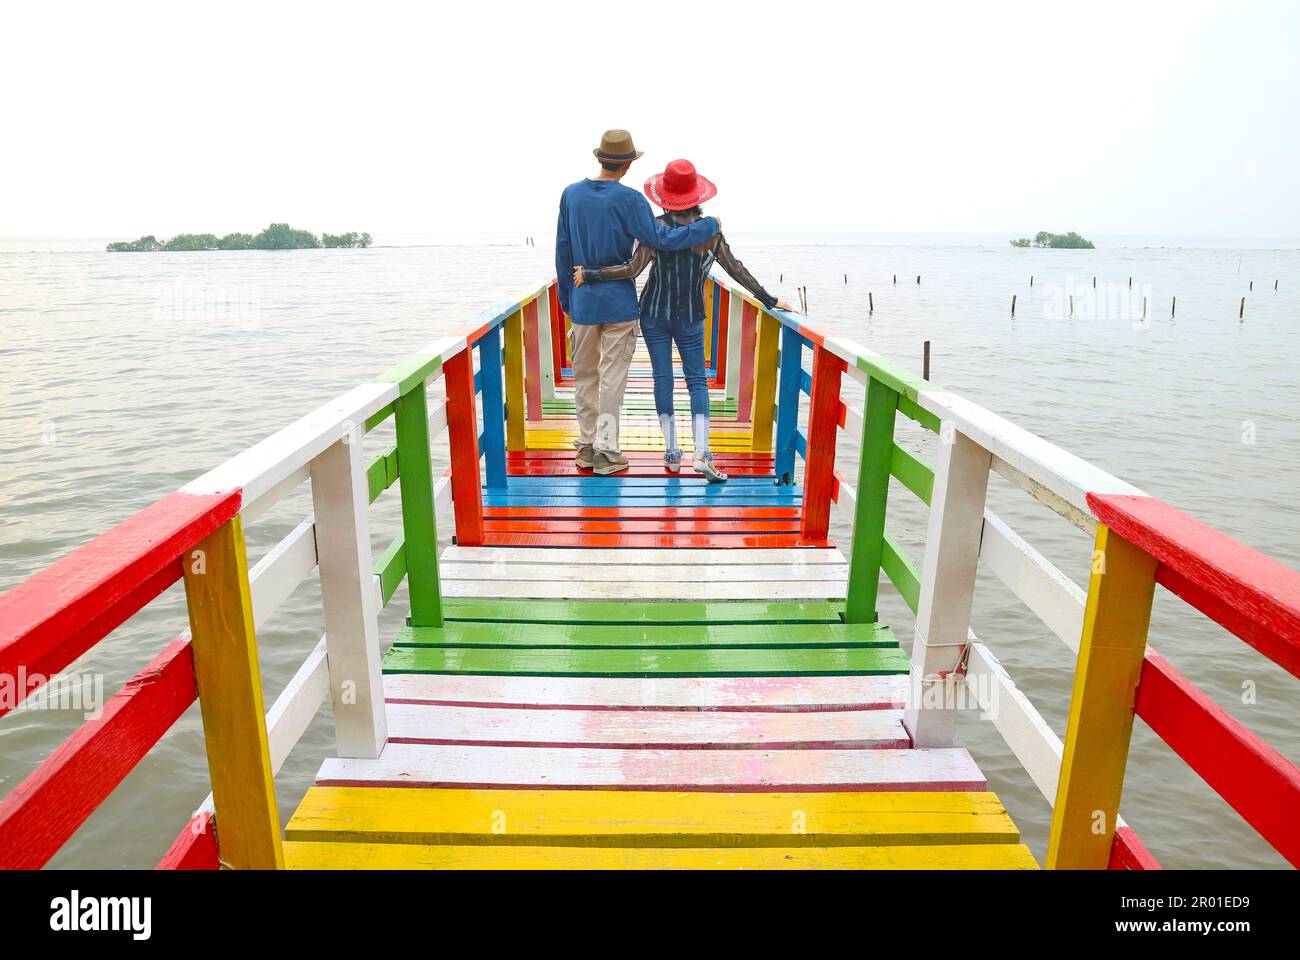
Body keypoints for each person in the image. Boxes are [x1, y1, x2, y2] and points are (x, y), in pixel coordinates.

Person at [573, 159, 789, 482]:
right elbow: (736, 270)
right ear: (696, 196)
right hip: (690, 317)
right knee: (697, 382)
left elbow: (632, 269)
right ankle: (702, 452)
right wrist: (769, 300)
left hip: (654, 315)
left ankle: (673, 451)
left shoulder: (654, 229)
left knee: (663, 379)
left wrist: (592, 273)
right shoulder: (710, 233)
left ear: (664, 196)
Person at [555, 131, 721, 476]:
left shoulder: (571, 194)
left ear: (600, 158)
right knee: (612, 377)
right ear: (628, 164)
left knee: (585, 375)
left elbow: (563, 250)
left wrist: (567, 301)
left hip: (583, 300)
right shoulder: (631, 200)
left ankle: (586, 446)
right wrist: (707, 226)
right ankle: (606, 449)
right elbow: (661, 238)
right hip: (619, 304)